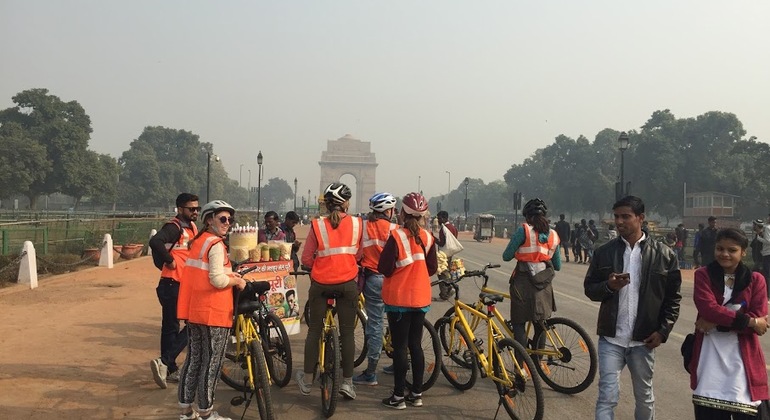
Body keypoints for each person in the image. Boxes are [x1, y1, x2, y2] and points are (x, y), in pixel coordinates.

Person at [584, 195, 682, 420]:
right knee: (607, 396)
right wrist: (609, 286)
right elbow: (590, 289)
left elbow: (672, 298)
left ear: (640, 218)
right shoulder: (604, 252)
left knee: (644, 397)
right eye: (617, 216)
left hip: (643, 341)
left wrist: (663, 331)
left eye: (626, 216)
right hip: (612, 338)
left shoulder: (664, 255)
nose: (619, 222)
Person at [176, 200, 247, 420]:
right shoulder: (215, 244)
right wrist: (236, 281)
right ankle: (207, 414)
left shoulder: (199, 243)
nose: (227, 223)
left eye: (229, 219)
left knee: (194, 360)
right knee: (211, 364)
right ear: (209, 220)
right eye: (222, 219)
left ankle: (186, 411)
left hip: (195, 311)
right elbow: (216, 279)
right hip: (213, 312)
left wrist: (230, 276)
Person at [689, 227, 769, 419]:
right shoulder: (703, 275)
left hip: (743, 360)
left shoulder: (756, 280)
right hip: (710, 359)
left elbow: (760, 317)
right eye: (720, 248)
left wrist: (716, 323)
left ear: (743, 252)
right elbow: (708, 308)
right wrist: (748, 321)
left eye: (732, 250)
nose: (724, 254)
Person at [296, 182, 363, 400]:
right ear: (346, 203)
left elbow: (306, 259)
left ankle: (307, 381)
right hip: (347, 284)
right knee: (347, 333)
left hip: (321, 284)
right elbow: (360, 255)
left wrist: (318, 264)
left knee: (314, 331)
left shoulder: (317, 225)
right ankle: (348, 383)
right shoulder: (357, 224)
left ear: (326, 204)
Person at [378, 192, 438, 409]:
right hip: (421, 298)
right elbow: (432, 268)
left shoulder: (397, 237)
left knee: (401, 347)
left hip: (399, 299)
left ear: (402, 212)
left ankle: (397, 397)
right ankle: (416, 394)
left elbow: (383, 268)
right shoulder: (429, 237)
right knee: (416, 346)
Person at [147, 192, 199, 389]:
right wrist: (169, 261)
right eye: (191, 209)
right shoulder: (174, 226)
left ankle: (167, 367)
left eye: (197, 208)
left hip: (181, 284)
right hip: (171, 284)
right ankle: (166, 362)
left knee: (171, 327)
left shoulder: (192, 227)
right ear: (180, 209)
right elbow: (155, 242)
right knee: (192, 323)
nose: (195, 212)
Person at [502, 198, 561, 348]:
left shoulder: (524, 230)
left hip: (523, 284)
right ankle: (537, 364)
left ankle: (520, 367)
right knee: (540, 325)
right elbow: (558, 265)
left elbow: (506, 256)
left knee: (519, 323)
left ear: (527, 217)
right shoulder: (553, 235)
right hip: (544, 285)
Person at [353, 192, 398, 386]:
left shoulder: (363, 227)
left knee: (375, 323)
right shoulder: (396, 229)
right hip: (394, 279)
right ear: (388, 211)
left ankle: (371, 372)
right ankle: (400, 361)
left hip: (372, 279)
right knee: (397, 320)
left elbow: (356, 253)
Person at [434, 210, 459, 300]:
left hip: (443, 254)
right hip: (450, 253)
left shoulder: (444, 229)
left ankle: (445, 293)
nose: (439, 221)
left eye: (440, 219)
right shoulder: (453, 228)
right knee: (447, 272)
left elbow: (441, 243)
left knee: (441, 273)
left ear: (444, 218)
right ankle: (449, 290)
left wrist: (433, 238)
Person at [756, 214, 770, 296]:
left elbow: (768, 241)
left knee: (767, 273)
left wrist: (759, 238)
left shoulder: (767, 228)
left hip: (767, 253)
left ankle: (767, 293)